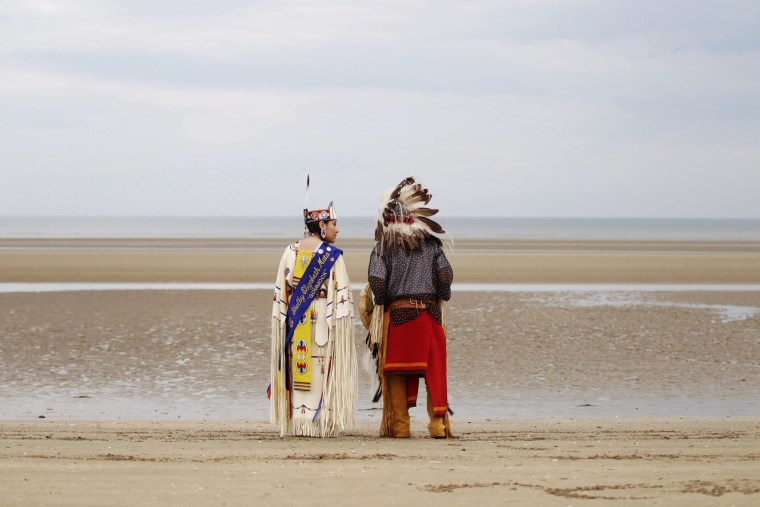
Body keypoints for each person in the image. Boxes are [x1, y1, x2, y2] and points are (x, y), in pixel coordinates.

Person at [365, 177, 453, 438]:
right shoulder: (432, 245)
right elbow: (445, 274)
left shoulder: (383, 247)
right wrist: (442, 295)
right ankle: (437, 426)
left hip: (399, 316)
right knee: (434, 372)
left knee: (395, 373)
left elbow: (377, 280)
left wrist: (380, 301)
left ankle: (401, 427)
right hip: (430, 315)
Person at [270, 193, 357, 437]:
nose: (337, 230)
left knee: (300, 364)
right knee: (320, 367)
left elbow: (282, 293)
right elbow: (342, 295)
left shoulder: (290, 251)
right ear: (321, 226)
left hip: (295, 321)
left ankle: (300, 422)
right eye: (333, 225)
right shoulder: (332, 256)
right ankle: (320, 422)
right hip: (322, 322)